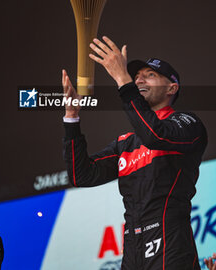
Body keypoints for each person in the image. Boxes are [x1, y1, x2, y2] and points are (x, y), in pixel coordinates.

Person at [62, 36, 208, 270]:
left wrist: (123, 80)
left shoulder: (187, 122)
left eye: (150, 75)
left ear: (172, 87)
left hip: (170, 240)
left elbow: (155, 135)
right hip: (132, 247)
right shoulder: (126, 143)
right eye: (136, 75)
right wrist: (72, 117)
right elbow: (82, 175)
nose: (139, 79)